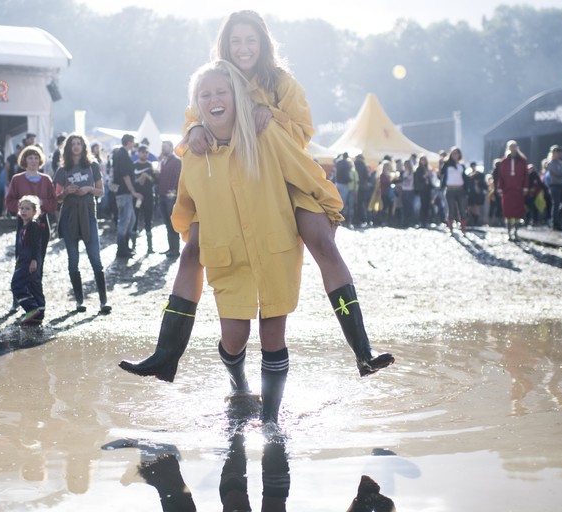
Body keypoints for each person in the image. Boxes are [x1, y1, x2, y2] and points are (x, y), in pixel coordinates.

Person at [120, 10, 394, 384]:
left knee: (324, 245)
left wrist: (271, 113)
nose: (244, 47)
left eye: (251, 40)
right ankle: (166, 355)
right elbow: (193, 114)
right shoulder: (215, 77)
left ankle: (362, 350)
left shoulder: (281, 81)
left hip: (280, 174)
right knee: (191, 252)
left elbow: (301, 132)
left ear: (263, 43)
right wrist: (198, 126)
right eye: (236, 40)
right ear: (225, 44)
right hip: (226, 178)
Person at [170, 60, 344, 423]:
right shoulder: (196, 149)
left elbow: (303, 151)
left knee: (273, 335)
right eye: (206, 95)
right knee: (233, 338)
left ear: (238, 95)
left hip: (272, 236)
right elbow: (187, 203)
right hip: (229, 252)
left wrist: (268, 113)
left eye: (222, 93)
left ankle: (271, 416)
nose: (214, 99)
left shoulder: (276, 94)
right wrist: (194, 129)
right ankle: (237, 383)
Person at [53, 133, 111, 314]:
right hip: (69, 216)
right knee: (73, 260)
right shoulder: (62, 170)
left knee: (95, 259)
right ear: (69, 148)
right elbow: (57, 198)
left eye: (79, 143)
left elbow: (101, 192)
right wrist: (66, 192)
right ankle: (79, 301)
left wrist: (88, 189)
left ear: (84, 147)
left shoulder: (92, 166)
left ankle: (103, 301)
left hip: (88, 215)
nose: (76, 146)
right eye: (73, 144)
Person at [5, 145, 57, 272]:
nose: (33, 161)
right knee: (22, 257)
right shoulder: (17, 179)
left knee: (39, 258)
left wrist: (40, 202)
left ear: (40, 161)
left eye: (36, 158)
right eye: (30, 158)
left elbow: (53, 204)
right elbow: (9, 202)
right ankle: (22, 287)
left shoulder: (46, 180)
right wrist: (25, 205)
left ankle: (37, 288)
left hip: (42, 223)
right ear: (25, 160)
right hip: (23, 223)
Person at [12, 195, 46, 326]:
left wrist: (33, 260)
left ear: (34, 211)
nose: (24, 211)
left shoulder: (32, 226)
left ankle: (32, 308)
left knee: (17, 284)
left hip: (29, 261)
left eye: (27, 208)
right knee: (33, 285)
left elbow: (35, 245)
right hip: (23, 260)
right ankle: (38, 315)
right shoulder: (23, 226)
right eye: (22, 208)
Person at [112, 134, 144, 257]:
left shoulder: (119, 154)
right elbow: (125, 175)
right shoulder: (123, 155)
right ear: (129, 142)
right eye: (133, 142)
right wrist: (133, 191)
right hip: (124, 192)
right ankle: (122, 249)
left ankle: (124, 247)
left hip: (122, 192)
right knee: (125, 221)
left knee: (129, 220)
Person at [497, 140, 529, 241]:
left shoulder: (522, 161)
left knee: (517, 211)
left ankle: (515, 232)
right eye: (511, 147)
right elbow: (501, 176)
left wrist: (525, 187)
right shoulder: (504, 161)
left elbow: (525, 175)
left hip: (518, 190)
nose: (513, 148)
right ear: (508, 148)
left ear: (517, 147)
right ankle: (509, 232)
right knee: (508, 211)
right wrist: (500, 187)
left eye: (514, 146)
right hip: (507, 190)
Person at [157, 140, 182, 257]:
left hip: (170, 197)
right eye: (162, 147)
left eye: (165, 147)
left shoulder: (177, 161)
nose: (162, 149)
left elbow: (178, 179)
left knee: (173, 223)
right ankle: (170, 248)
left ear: (171, 148)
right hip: (162, 195)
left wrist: (172, 194)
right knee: (167, 224)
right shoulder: (162, 162)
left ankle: (175, 249)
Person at [132, 144, 157, 254]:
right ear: (138, 153)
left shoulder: (151, 165)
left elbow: (155, 181)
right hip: (137, 197)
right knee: (135, 219)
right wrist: (139, 179)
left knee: (148, 220)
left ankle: (150, 247)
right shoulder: (134, 166)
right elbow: (131, 181)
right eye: (142, 152)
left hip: (148, 197)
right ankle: (133, 247)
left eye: (146, 152)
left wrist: (148, 177)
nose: (144, 154)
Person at [440, 147, 468, 234]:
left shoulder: (462, 165)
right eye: (453, 153)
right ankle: (451, 229)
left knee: (462, 210)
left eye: (456, 153)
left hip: (460, 189)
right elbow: (441, 174)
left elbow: (465, 178)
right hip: (450, 189)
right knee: (451, 210)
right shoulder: (447, 165)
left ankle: (463, 229)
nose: (455, 155)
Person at [545, 145, 562, 231]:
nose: (558, 154)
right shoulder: (550, 163)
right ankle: (555, 222)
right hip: (554, 186)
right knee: (556, 204)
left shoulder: (561, 162)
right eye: (556, 152)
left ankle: (558, 219)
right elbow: (559, 173)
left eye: (559, 152)